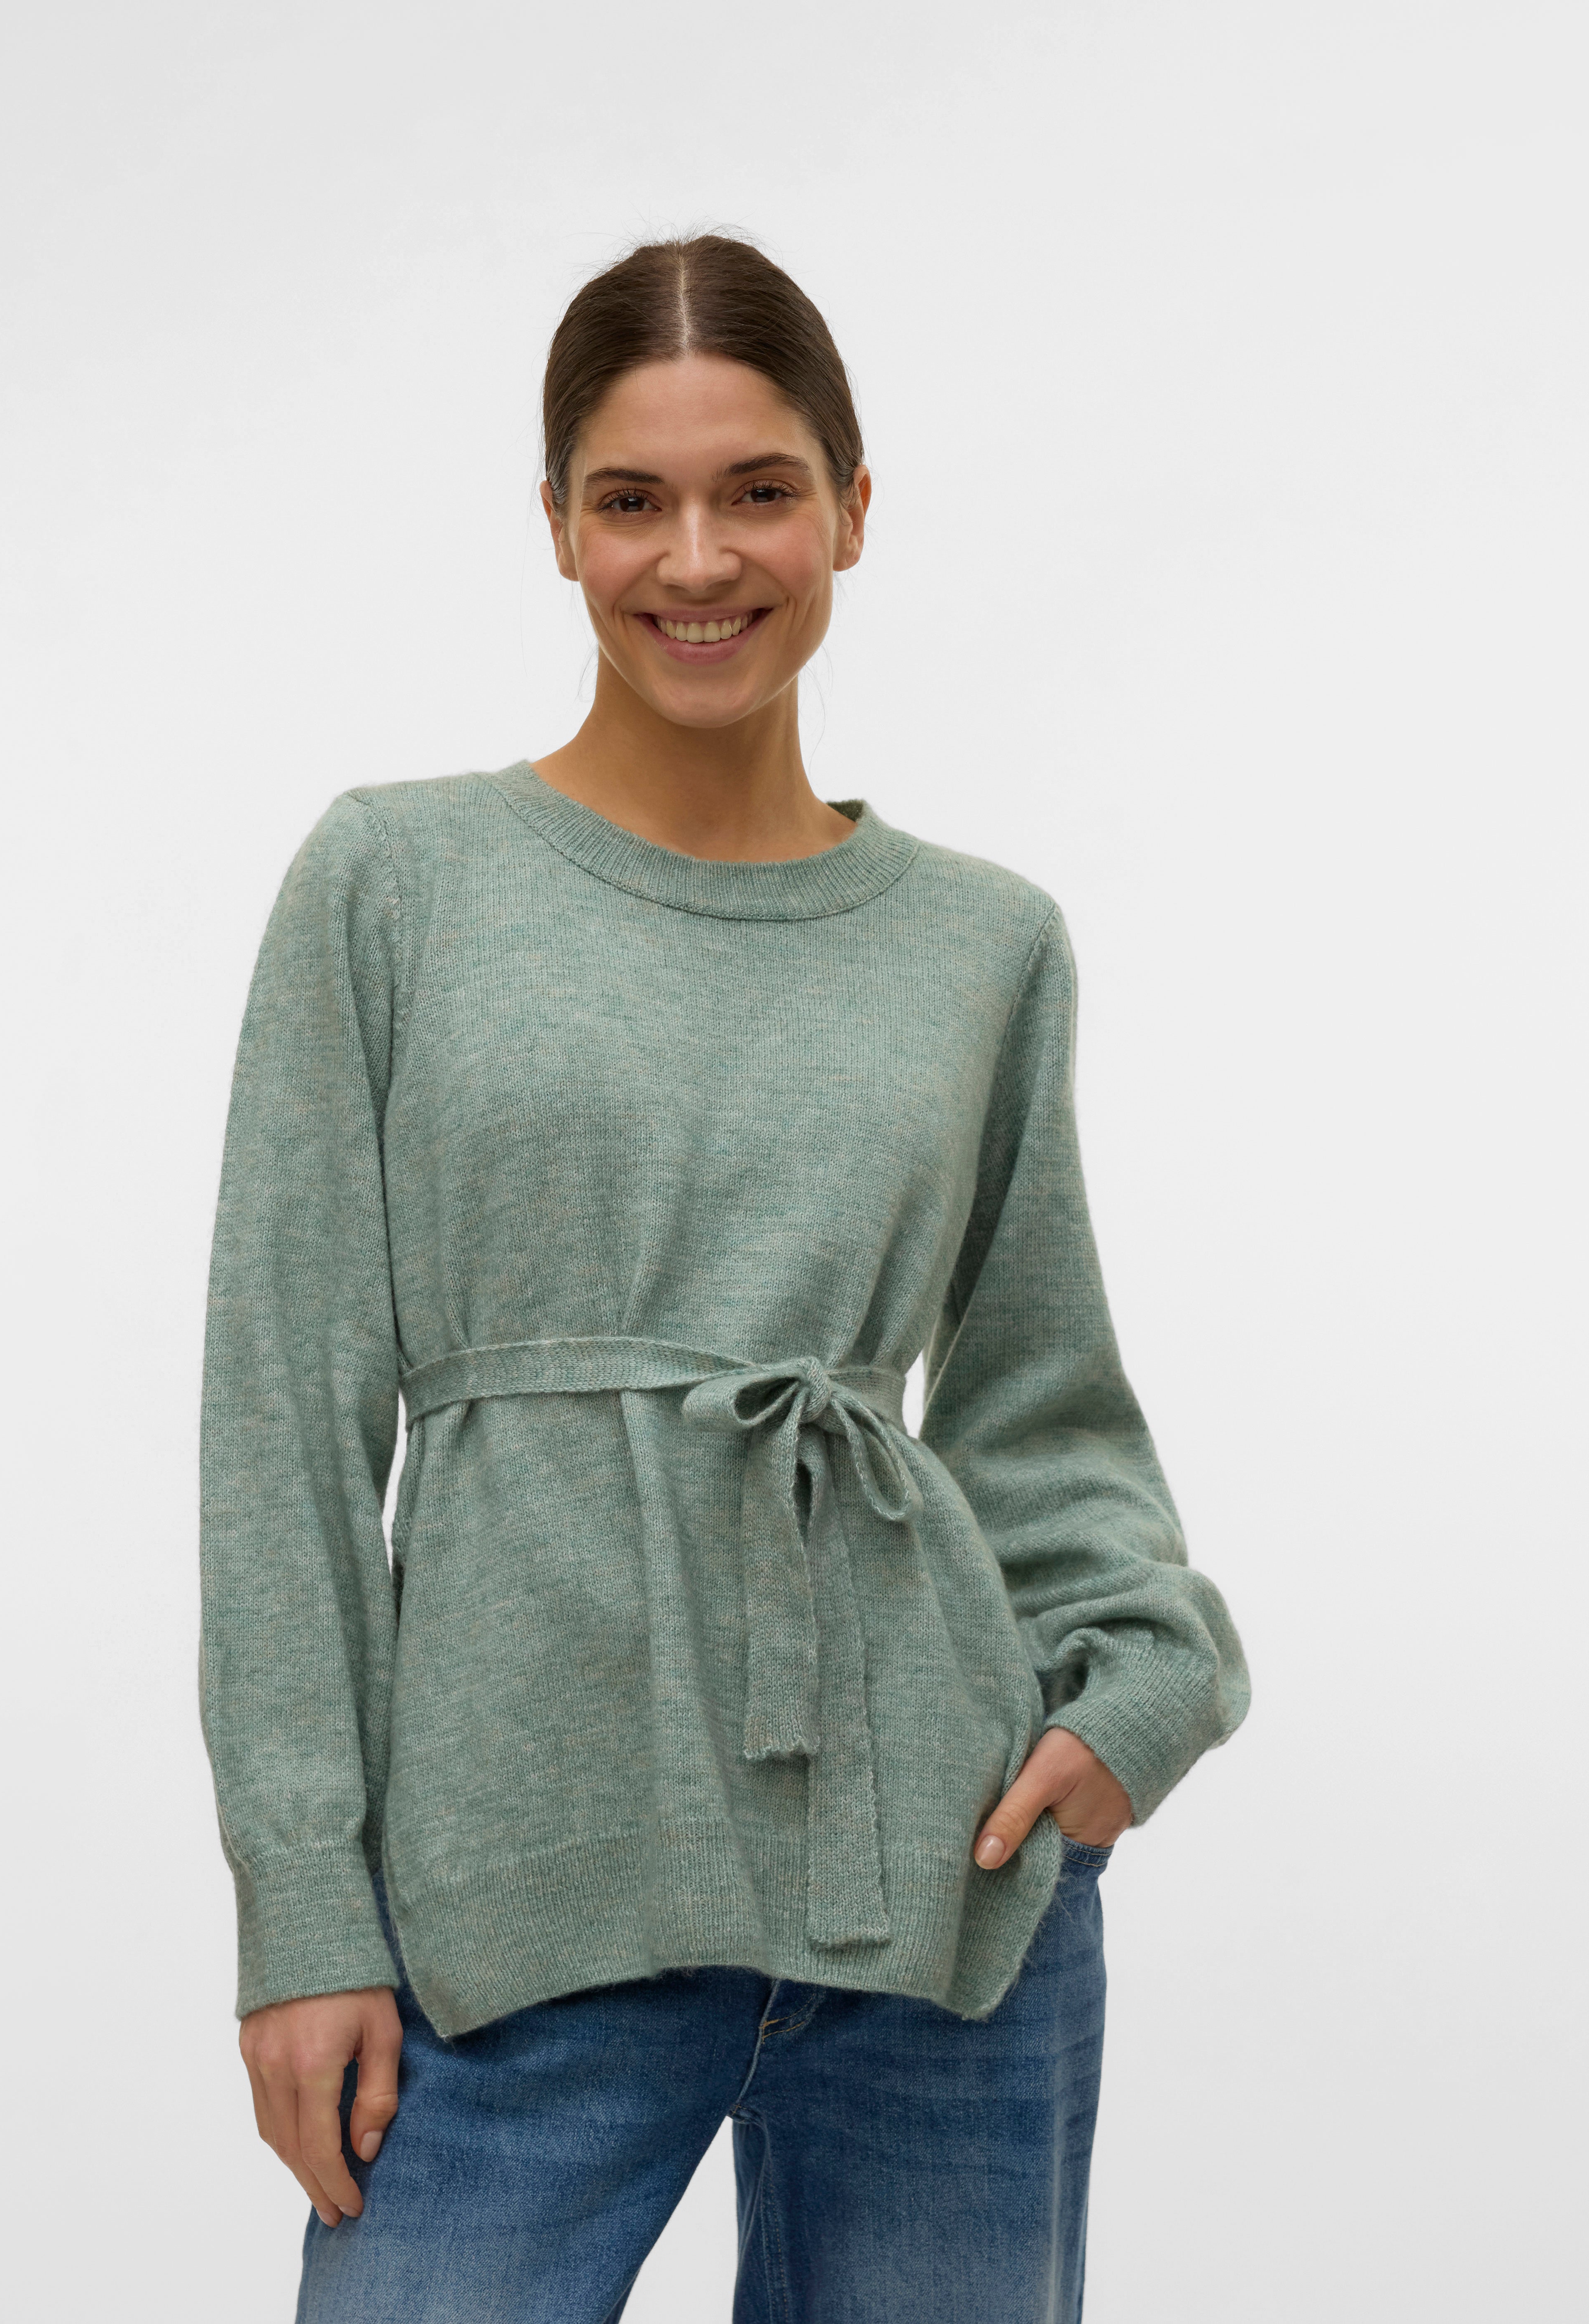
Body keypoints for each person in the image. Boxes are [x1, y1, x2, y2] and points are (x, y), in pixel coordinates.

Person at [198, 232, 1250, 2324]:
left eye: (758, 489)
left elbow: (1039, 1396)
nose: (697, 558)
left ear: (851, 508)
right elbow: (283, 1424)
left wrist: (1135, 1687)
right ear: (556, 525)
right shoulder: (394, 881)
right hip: (513, 1902)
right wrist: (303, 1905)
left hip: (944, 1885)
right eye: (632, 498)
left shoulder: (984, 940)